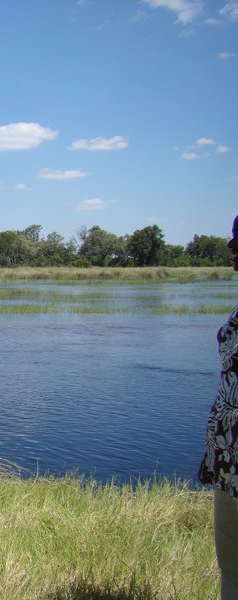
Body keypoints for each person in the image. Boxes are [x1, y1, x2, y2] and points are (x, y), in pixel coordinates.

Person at [199, 213, 238, 599]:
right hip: (228, 464)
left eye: (237, 237)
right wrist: (212, 454)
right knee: (230, 565)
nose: (230, 246)